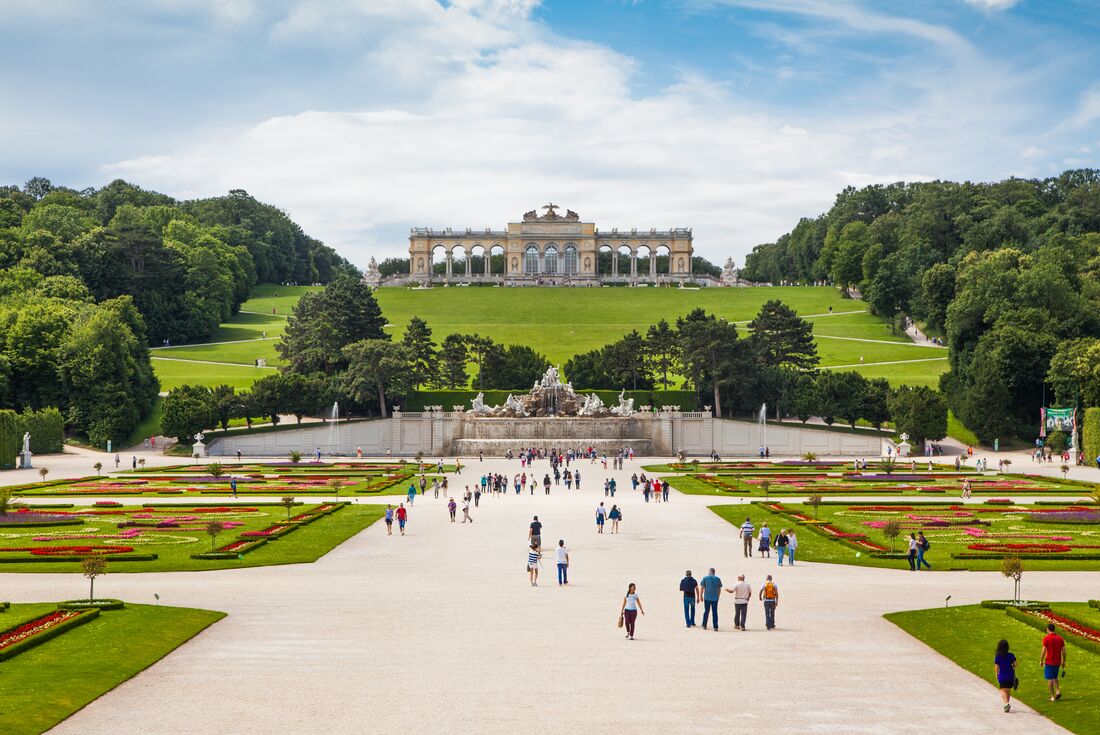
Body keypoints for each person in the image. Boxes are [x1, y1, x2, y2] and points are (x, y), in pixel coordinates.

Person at [1041, 623, 1066, 702]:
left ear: (1048, 629)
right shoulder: (1060, 638)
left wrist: (1041, 660)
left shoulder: (1046, 638)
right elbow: (1064, 652)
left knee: (1050, 679)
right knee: (1054, 677)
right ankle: (1058, 691)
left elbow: (1044, 651)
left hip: (1049, 661)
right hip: (1057, 662)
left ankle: (1052, 696)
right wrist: (1063, 661)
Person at [994, 639, 1017, 712]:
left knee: (1002, 690)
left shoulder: (998, 657)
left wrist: (996, 675)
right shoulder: (1011, 655)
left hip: (1003, 675)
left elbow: (996, 668)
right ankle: (1007, 704)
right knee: (1008, 690)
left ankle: (1006, 703)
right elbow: (1015, 665)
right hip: (1010, 675)